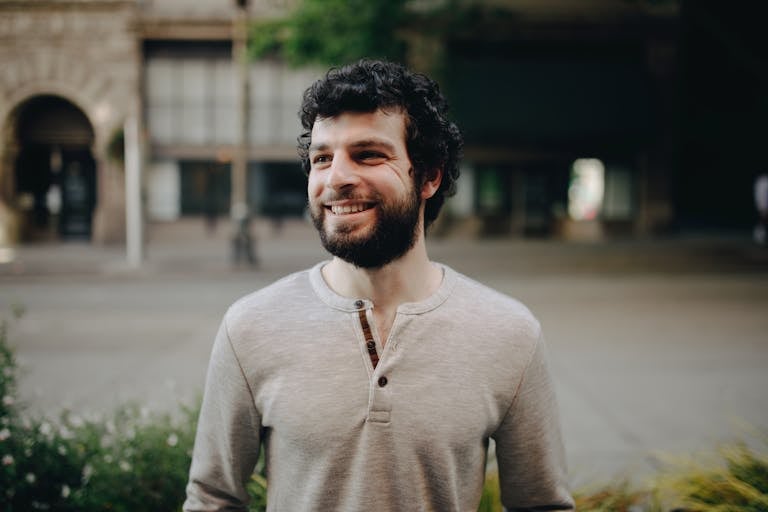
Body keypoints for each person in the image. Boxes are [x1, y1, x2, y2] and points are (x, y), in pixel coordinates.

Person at [184, 59, 574, 512]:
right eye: (322, 158)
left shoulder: (509, 333)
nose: (336, 178)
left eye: (368, 154)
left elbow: (541, 504)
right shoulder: (249, 327)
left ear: (429, 176)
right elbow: (212, 499)